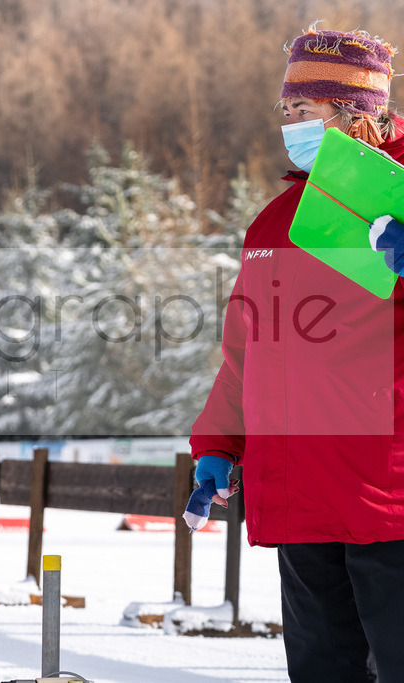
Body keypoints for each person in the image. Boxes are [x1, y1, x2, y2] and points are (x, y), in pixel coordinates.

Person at [188, 24, 404, 681]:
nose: (290, 125)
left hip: (386, 501)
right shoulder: (275, 221)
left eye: (303, 111)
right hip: (303, 499)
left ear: (357, 114)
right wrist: (219, 446)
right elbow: (246, 348)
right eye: (286, 111)